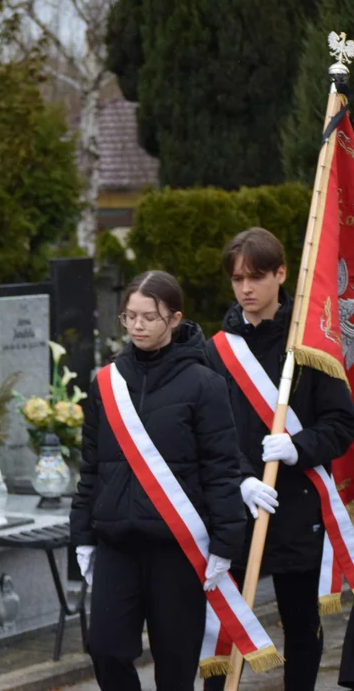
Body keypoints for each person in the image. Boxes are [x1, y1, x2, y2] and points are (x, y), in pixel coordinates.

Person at [71, 270, 247, 691]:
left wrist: (226, 545)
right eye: (129, 316)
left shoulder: (204, 384)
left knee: (175, 665)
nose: (137, 326)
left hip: (178, 549)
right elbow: (91, 465)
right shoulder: (105, 382)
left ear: (174, 318)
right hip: (118, 544)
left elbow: (221, 469)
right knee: (106, 650)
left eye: (149, 317)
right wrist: (82, 535)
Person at [203, 228, 354, 691]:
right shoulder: (216, 351)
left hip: (296, 507)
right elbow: (207, 433)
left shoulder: (309, 347)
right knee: (225, 629)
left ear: (282, 273)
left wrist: (298, 446)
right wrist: (243, 479)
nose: (246, 289)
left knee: (301, 628)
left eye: (257, 277)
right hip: (237, 505)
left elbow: (341, 425)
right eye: (237, 279)